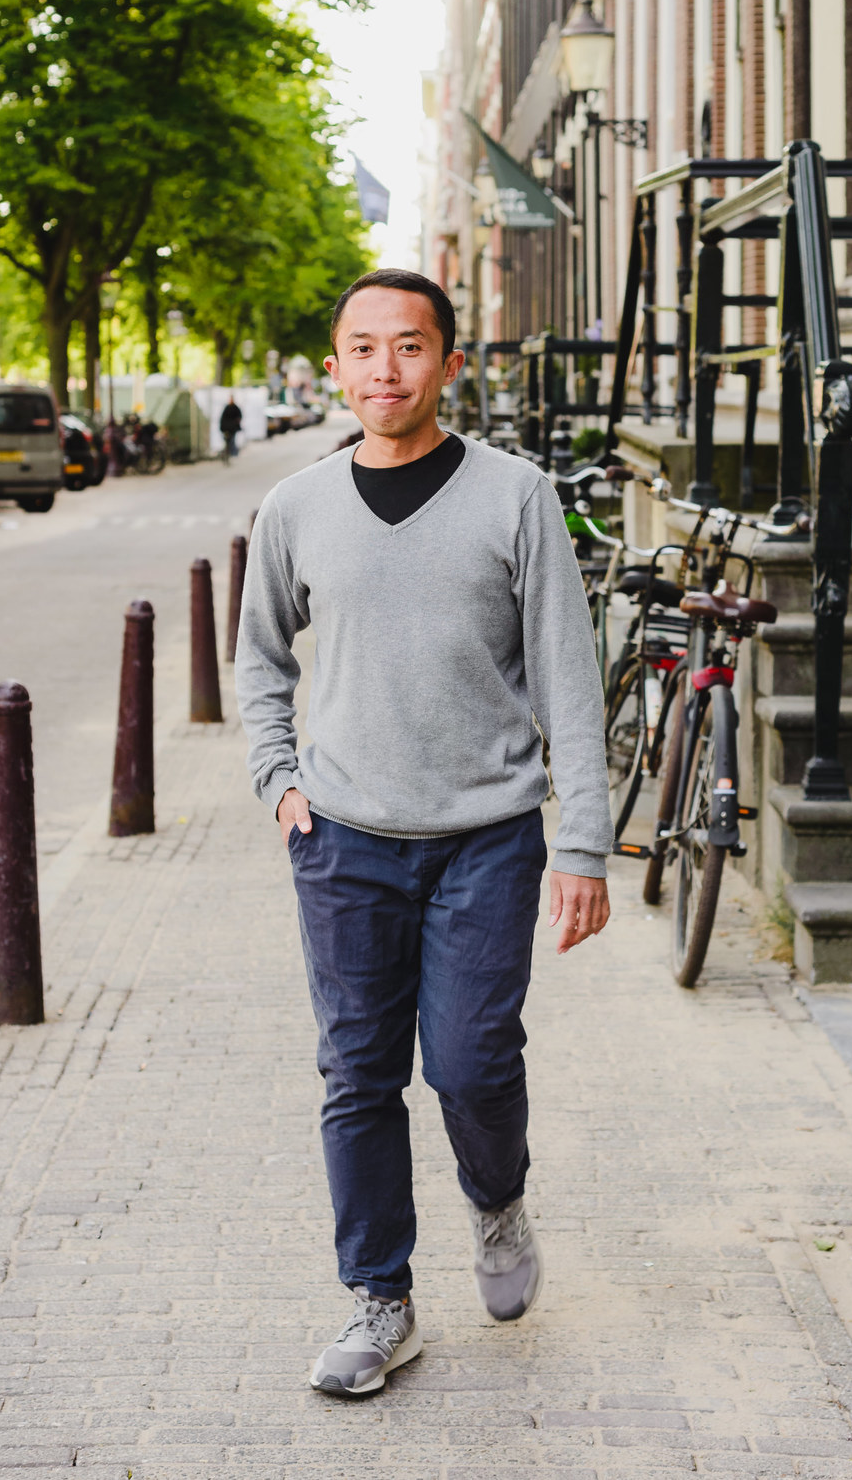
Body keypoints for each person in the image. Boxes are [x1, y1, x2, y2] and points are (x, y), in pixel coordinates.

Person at [235, 269, 612, 1398]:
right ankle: (380, 1297)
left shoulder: (516, 496)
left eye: (409, 347)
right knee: (356, 1073)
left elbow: (568, 678)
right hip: (343, 838)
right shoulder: (294, 508)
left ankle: (497, 1205)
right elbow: (259, 656)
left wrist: (584, 843)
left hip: (487, 837)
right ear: (335, 365)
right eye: (363, 348)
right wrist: (277, 778)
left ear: (451, 362)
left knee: (468, 1061)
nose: (385, 369)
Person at [219, 394, 243, 461]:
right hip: (227, 428)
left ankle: (230, 452)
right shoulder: (228, 408)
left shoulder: (234, 408)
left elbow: (239, 417)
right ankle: (227, 452)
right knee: (228, 441)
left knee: (231, 441)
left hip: (231, 428)